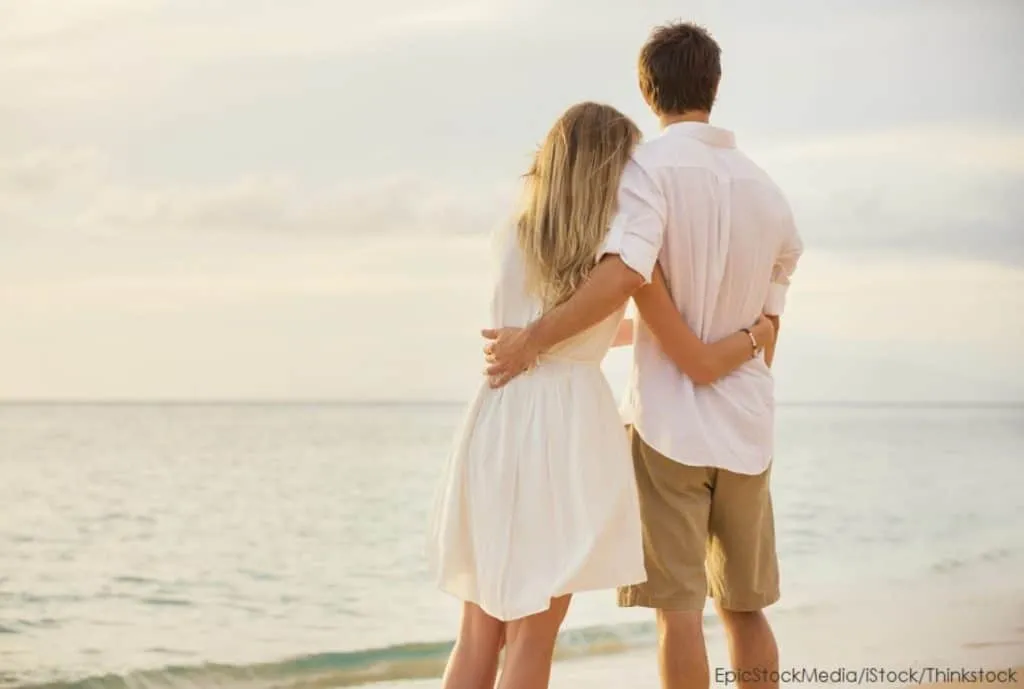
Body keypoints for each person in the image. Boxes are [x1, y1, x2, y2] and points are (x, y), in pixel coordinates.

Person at [482, 23, 803, 689]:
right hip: (748, 424)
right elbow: (770, 323)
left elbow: (627, 270)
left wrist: (534, 338)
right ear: (714, 86)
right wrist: (735, 352)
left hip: (667, 426)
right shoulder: (769, 192)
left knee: (677, 614)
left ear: (646, 89)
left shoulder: (644, 172)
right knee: (746, 608)